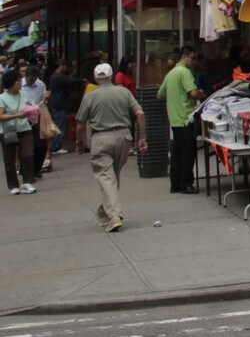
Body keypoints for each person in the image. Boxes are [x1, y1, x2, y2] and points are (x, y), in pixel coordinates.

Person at [77, 62, 145, 232]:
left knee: (106, 177)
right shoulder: (123, 92)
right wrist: (142, 137)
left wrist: (79, 143)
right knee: (112, 175)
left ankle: (114, 214)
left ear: (95, 78)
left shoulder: (90, 97)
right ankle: (105, 210)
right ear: (112, 75)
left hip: (101, 137)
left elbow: (80, 123)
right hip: (123, 137)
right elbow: (140, 113)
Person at [161, 46, 205, 194]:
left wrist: (174, 96)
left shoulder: (170, 74)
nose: (194, 62)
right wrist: (201, 93)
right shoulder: (184, 72)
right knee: (188, 152)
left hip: (174, 118)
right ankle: (186, 183)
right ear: (184, 57)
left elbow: (160, 94)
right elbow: (193, 92)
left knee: (177, 153)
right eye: (192, 58)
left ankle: (175, 184)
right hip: (186, 118)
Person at [0, 67, 35, 194]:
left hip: (24, 128)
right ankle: (13, 185)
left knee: (28, 154)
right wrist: (16, 116)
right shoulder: (2, 98)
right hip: (8, 130)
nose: (20, 83)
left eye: (21, 80)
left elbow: (32, 107)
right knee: (9, 158)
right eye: (17, 81)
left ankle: (27, 182)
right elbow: (1, 116)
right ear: (10, 83)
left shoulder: (24, 95)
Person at [18, 63, 50, 181]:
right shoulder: (19, 84)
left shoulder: (40, 84)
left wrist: (45, 99)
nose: (33, 82)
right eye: (31, 79)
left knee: (41, 145)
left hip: (37, 116)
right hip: (23, 117)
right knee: (24, 146)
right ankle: (25, 169)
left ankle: (36, 169)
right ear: (26, 76)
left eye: (35, 79)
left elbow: (43, 98)